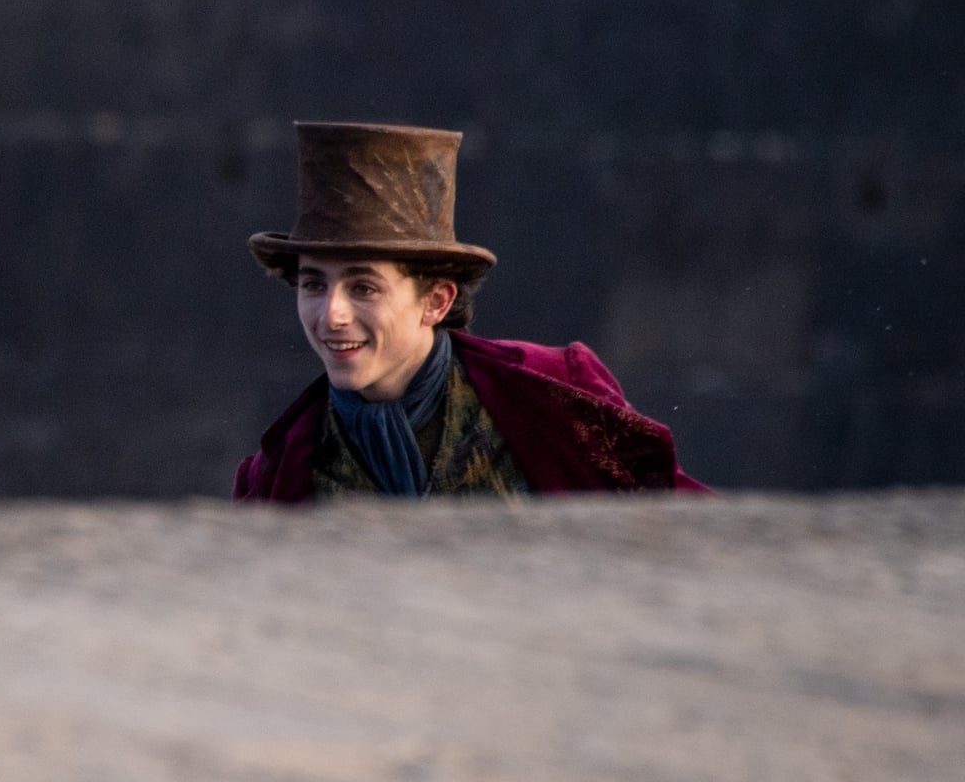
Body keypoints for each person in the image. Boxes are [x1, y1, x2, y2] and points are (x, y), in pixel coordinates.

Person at [233, 121, 708, 502]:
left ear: (436, 301)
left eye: (363, 287)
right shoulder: (277, 476)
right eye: (314, 284)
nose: (331, 314)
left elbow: (678, 528)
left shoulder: (555, 395)